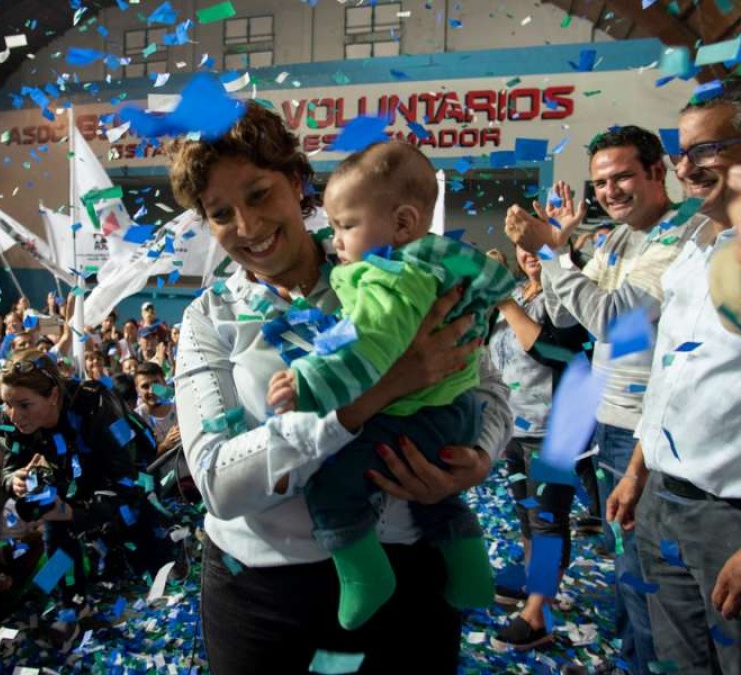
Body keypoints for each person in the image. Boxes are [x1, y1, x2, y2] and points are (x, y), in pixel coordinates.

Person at [166, 102, 512, 674]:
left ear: (297, 181)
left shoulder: (387, 266)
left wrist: (478, 458)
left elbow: (487, 387)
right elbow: (219, 485)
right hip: (264, 597)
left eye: (258, 195)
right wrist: (366, 401)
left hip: (410, 575)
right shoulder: (211, 318)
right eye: (221, 212)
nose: (247, 227)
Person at [266, 141, 513, 629]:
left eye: (346, 226)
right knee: (440, 500)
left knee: (334, 490)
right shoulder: (439, 263)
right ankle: (470, 574)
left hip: (418, 413)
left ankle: (366, 578)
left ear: (402, 223)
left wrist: (310, 382)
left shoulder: (391, 278)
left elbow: (369, 346)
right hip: (454, 413)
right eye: (334, 226)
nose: (336, 240)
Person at [504, 124, 700, 675]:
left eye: (622, 177)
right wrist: (555, 254)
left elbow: (611, 322)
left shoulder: (682, 236)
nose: (610, 191)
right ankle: (634, 659)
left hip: (646, 431)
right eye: (601, 183)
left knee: (653, 580)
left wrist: (549, 250)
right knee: (627, 570)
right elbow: (570, 312)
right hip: (606, 422)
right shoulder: (615, 239)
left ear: (658, 172)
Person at [607, 82, 741, 674]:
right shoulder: (693, 241)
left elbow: (607, 320)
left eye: (705, 150)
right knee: (677, 662)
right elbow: (670, 368)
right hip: (663, 493)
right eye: (682, 150)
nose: (687, 167)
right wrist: (639, 470)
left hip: (728, 515)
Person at [486, 244, 591, 651]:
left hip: (554, 428)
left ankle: (537, 615)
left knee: (548, 522)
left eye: (539, 245)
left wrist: (507, 305)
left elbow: (554, 351)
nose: (530, 253)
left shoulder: (563, 296)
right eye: (524, 246)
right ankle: (536, 588)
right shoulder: (515, 292)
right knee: (527, 516)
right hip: (515, 425)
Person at [0, 350, 166, 592]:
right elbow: (9, 467)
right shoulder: (16, 417)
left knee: (149, 560)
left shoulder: (97, 406)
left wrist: (73, 513)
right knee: (53, 528)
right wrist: (14, 479)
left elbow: (128, 484)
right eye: (7, 403)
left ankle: (156, 579)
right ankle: (68, 604)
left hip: (131, 475)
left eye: (24, 405)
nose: (14, 415)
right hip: (73, 476)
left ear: (53, 395)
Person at [134, 360, 180, 455]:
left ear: (164, 383)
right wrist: (165, 445)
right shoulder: (136, 419)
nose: (151, 391)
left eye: (156, 384)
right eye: (145, 386)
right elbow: (142, 459)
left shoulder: (180, 405)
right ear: (137, 390)